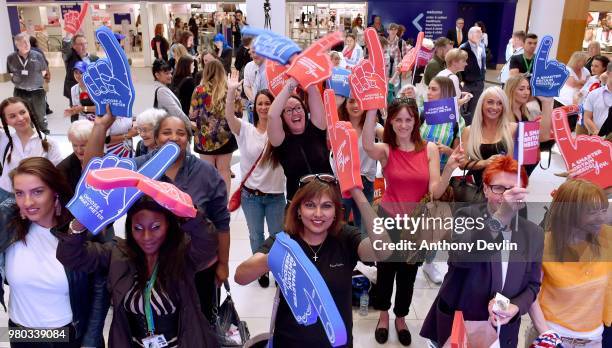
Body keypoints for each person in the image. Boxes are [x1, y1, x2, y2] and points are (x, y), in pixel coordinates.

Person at [84, 110, 231, 330]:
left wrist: (223, 264)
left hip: (197, 268)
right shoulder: (139, 167)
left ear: (188, 139)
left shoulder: (206, 173)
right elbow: (94, 176)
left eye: (181, 133)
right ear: (156, 137)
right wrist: (100, 127)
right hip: (147, 267)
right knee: (151, 328)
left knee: (198, 329)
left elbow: (221, 223)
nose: (174, 137)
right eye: (167, 132)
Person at [235, 176, 392, 347]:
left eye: (326, 206)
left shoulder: (345, 237)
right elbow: (240, 276)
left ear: (336, 212)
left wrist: (357, 194)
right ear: (298, 210)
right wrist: (274, 258)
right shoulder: (284, 240)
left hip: (336, 342)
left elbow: (383, 251)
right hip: (289, 341)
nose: (318, 214)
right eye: (310, 205)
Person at [58, 194, 219, 347]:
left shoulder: (181, 254)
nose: (147, 237)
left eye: (156, 227)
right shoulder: (116, 254)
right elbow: (71, 257)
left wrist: (188, 213)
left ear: (168, 225)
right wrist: (80, 222)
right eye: (138, 228)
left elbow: (208, 244)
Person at [362, 97, 460, 346]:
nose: (404, 125)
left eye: (409, 119)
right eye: (398, 120)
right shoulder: (386, 150)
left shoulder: (428, 148)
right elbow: (366, 145)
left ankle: (401, 318)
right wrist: (372, 107)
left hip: (418, 225)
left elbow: (435, 191)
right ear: (390, 121)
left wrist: (448, 169)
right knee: (385, 271)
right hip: (389, 220)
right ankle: (383, 315)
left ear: (416, 120)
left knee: (408, 275)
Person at [420, 156, 544, 348]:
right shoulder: (465, 216)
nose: (506, 195)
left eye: (513, 189)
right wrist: (501, 218)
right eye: (498, 188)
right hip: (460, 324)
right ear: (486, 189)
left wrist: (515, 307)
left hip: (502, 330)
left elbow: (533, 285)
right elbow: (463, 257)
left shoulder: (533, 234)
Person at [0, 158, 110, 347]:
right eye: (19, 193)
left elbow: (100, 292)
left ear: (55, 192)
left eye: (37, 192)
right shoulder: (9, 226)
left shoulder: (78, 233)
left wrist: (90, 342)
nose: (27, 202)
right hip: (20, 333)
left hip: (64, 337)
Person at [527, 179, 610, 348]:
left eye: (603, 210)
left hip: (594, 340)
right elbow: (530, 293)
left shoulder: (607, 237)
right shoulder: (543, 245)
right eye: (593, 212)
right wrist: (546, 335)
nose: (601, 217)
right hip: (553, 336)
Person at [226, 77, 286, 287]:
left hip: (276, 195)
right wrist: (232, 92)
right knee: (256, 236)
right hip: (251, 195)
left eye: (267, 103)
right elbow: (229, 117)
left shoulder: (280, 133)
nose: (263, 107)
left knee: (278, 236)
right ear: (254, 106)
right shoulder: (246, 130)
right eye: (260, 103)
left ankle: (278, 269)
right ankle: (261, 270)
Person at [267, 78, 333, 201]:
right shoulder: (280, 140)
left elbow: (314, 92)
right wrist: (290, 84)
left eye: (298, 108)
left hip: (327, 198)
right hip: (298, 204)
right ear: (282, 118)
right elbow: (272, 115)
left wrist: (301, 71)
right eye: (289, 110)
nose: (295, 113)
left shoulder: (317, 128)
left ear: (304, 110)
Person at [337, 97, 384, 234]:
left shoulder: (373, 127)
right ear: (345, 104)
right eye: (351, 101)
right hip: (342, 183)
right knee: (338, 227)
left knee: (364, 230)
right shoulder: (337, 126)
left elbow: (390, 137)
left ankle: (360, 255)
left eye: (360, 101)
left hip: (366, 183)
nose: (356, 105)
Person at [190, 59, 237, 195]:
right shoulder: (229, 89)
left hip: (204, 138)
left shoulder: (199, 90)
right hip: (226, 136)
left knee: (207, 172)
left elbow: (192, 115)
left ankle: (210, 203)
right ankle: (224, 202)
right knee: (225, 170)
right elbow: (238, 111)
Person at [0, 97, 62, 193]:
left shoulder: (49, 143)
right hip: (6, 195)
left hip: (36, 197)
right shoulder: (4, 140)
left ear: (29, 112)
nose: (20, 118)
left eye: (22, 112)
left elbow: (58, 176)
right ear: (6, 121)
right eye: (12, 116)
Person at [421, 76, 469, 169]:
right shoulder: (422, 112)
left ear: (445, 92)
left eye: (434, 89)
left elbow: (459, 157)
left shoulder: (458, 120)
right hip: (418, 165)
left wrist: (446, 150)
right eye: (429, 88)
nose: (428, 93)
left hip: (442, 169)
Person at [7, 32, 49, 134]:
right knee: (23, 114)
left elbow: (44, 71)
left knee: (40, 114)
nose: (26, 45)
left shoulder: (38, 55)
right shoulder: (11, 58)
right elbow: (11, 73)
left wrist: (34, 80)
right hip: (20, 91)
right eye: (22, 43)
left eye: (27, 42)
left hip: (37, 90)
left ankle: (44, 134)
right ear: (17, 45)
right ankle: (28, 133)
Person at [460, 26, 486, 125]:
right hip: (467, 82)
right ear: (470, 35)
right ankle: (462, 126)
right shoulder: (463, 47)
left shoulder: (482, 46)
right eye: (478, 33)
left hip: (479, 82)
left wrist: (483, 74)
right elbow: (460, 66)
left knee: (474, 106)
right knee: (463, 105)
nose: (480, 35)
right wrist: (462, 81)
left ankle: (471, 126)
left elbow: (482, 62)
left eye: (481, 33)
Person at [56, 119, 93, 191]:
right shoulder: (63, 169)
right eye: (75, 145)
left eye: (83, 145)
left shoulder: (107, 162)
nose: (79, 150)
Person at [62, 33, 97, 104]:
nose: (84, 46)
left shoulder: (94, 58)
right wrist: (69, 34)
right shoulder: (69, 57)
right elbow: (65, 49)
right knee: (75, 111)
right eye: (81, 44)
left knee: (93, 112)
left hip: (92, 90)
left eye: (85, 43)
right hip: (75, 91)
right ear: (74, 46)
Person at [583, 61, 612, 136]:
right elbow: (587, 117)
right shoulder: (594, 94)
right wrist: (597, 132)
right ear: (608, 73)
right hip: (598, 138)